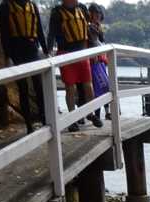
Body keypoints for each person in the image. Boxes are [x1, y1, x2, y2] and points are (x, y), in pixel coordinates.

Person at [48, 0, 102, 131]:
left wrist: (94, 48)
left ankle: (91, 113)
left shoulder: (82, 8)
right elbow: (52, 34)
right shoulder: (57, 12)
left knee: (88, 85)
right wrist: (49, 51)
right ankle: (72, 119)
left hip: (82, 52)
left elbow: (91, 24)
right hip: (65, 54)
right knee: (70, 88)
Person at [0, 0, 48, 134]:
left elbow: (39, 30)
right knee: (23, 88)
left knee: (38, 85)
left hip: (32, 49)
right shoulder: (6, 5)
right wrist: (7, 55)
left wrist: (45, 50)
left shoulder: (32, 5)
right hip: (17, 50)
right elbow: (4, 32)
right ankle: (29, 125)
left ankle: (44, 119)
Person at [87, 3, 111, 121]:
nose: (97, 16)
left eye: (99, 14)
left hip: (101, 61)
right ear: (90, 14)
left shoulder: (98, 26)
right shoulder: (89, 27)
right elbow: (94, 43)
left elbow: (102, 42)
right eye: (95, 14)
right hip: (94, 61)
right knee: (98, 88)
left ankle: (106, 112)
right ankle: (97, 114)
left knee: (104, 86)